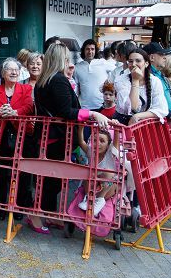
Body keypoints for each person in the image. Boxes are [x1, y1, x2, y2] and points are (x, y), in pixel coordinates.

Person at [24, 43, 112, 233]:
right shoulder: (57, 80)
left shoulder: (44, 80)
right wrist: (92, 114)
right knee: (50, 180)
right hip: (55, 137)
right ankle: (36, 216)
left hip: (49, 136)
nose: (69, 62)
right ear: (61, 59)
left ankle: (48, 215)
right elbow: (66, 111)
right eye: (67, 59)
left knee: (51, 180)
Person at [0, 57, 35, 218]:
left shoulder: (26, 88)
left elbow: (28, 106)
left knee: (22, 172)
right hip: (2, 135)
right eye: (10, 69)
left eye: (16, 70)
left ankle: (19, 207)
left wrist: (14, 112)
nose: (14, 72)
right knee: (0, 171)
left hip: (22, 134)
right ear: (3, 73)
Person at [113, 47, 169, 124]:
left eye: (138, 61)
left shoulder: (155, 81)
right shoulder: (121, 80)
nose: (133, 64)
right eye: (130, 61)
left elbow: (161, 109)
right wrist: (135, 80)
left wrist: (138, 116)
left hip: (145, 125)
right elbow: (132, 108)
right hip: (124, 123)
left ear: (146, 63)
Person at [75, 38, 111, 111]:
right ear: (83, 51)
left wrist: (109, 81)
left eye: (92, 49)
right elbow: (76, 88)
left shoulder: (103, 63)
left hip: (103, 105)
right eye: (87, 49)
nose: (90, 51)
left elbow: (117, 72)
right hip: (84, 107)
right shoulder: (77, 67)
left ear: (95, 51)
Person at [142, 42, 171, 117]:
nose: (165, 57)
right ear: (152, 57)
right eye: (162, 55)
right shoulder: (148, 76)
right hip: (158, 119)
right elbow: (151, 101)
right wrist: (168, 113)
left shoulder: (160, 74)